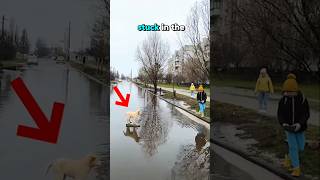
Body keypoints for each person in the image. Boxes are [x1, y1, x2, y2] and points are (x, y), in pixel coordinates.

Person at [277, 73, 310, 177]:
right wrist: (284, 123)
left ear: (296, 91)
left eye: (290, 92)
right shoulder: (283, 100)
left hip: (300, 127)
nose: (287, 93)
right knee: (293, 147)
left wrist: (300, 124)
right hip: (289, 128)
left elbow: (306, 113)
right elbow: (280, 114)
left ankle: (288, 159)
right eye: (286, 91)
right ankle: (296, 169)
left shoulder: (303, 99)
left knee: (301, 147)